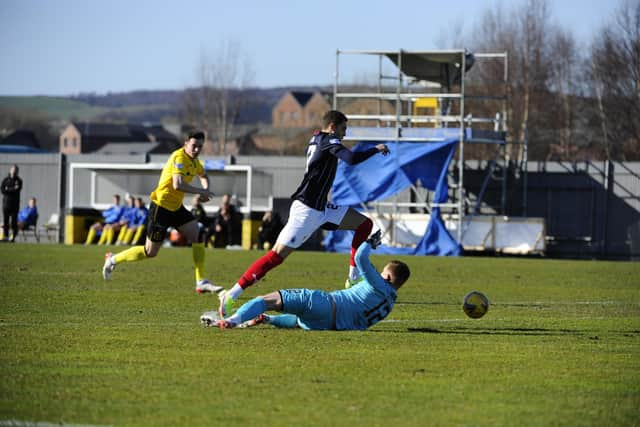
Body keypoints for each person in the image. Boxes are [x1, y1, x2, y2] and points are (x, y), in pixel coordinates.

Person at [218, 110, 390, 316]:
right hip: (307, 210)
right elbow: (351, 159)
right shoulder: (328, 140)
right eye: (344, 129)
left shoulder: (318, 138)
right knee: (275, 256)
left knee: (363, 224)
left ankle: (353, 277)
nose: (345, 134)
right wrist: (376, 149)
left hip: (322, 208)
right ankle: (232, 294)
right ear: (333, 127)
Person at [203, 231, 410, 330]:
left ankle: (232, 320)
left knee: (267, 300)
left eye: (383, 272)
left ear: (389, 277)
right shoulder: (389, 304)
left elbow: (360, 258)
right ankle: (267, 319)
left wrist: (369, 243)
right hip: (328, 325)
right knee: (299, 320)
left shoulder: (380, 284)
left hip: (326, 304)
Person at [101, 131, 223, 294]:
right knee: (150, 252)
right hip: (161, 207)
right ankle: (113, 259)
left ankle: (200, 281)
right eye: (194, 146)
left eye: (200, 147)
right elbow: (177, 185)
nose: (196, 150)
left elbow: (204, 174)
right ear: (186, 143)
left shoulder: (194, 162)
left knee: (197, 234)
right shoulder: (178, 157)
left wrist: (206, 190)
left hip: (176, 208)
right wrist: (201, 191)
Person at [1, 165, 23, 242]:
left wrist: (8, 189)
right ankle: (6, 237)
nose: (14, 171)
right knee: (6, 222)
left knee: (14, 222)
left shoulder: (19, 181)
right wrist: (12, 189)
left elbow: (17, 190)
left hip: (15, 205)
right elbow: (3, 191)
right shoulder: (5, 180)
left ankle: (13, 237)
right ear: (10, 170)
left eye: (16, 170)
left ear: (17, 171)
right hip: (6, 204)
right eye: (13, 169)